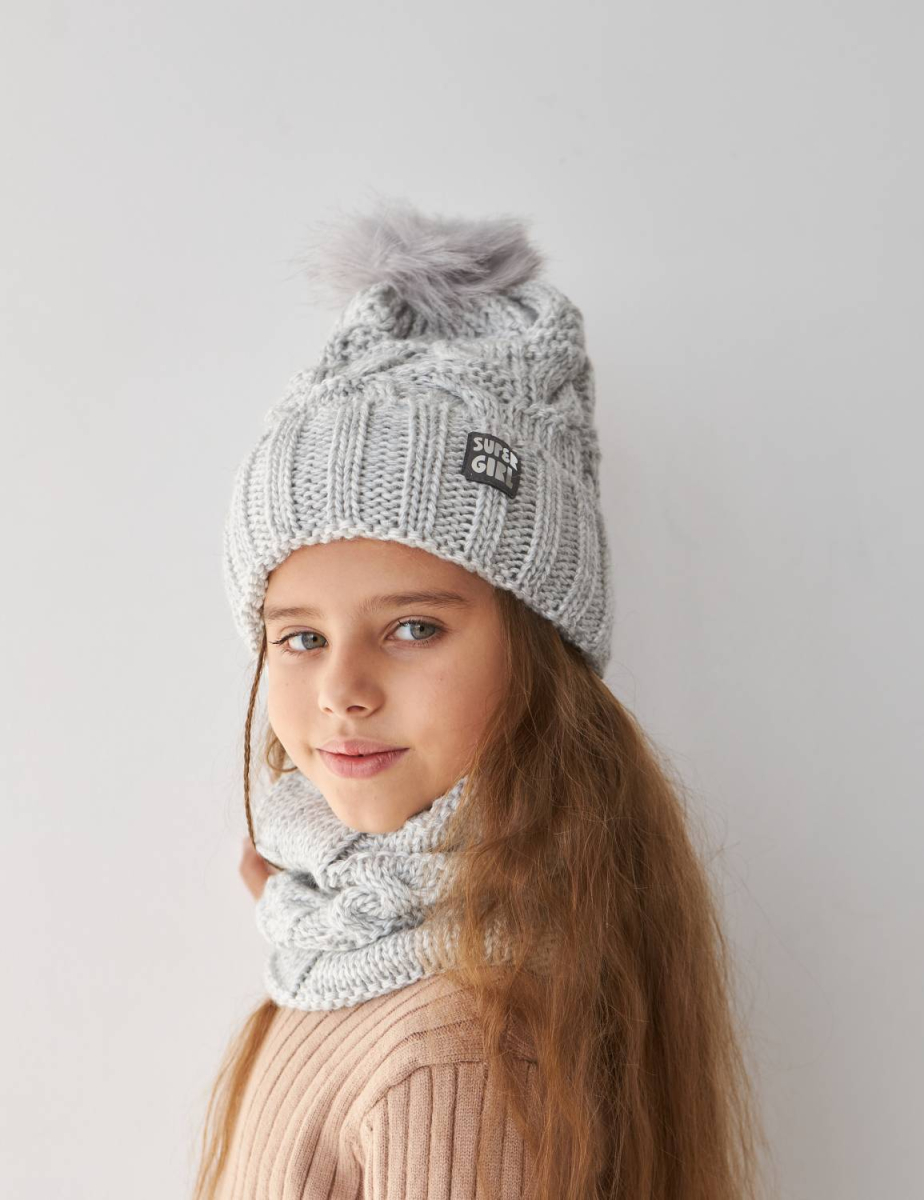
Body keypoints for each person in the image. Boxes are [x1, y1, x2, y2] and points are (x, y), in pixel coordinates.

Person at [190, 199, 769, 1199]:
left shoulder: (451, 1050)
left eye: (414, 628)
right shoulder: (345, 959)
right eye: (301, 637)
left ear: (539, 655)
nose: (343, 692)